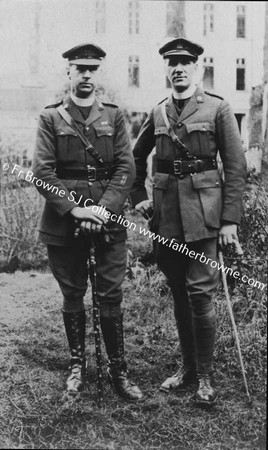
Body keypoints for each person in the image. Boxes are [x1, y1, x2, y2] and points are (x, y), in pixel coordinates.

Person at [130, 37, 247, 406]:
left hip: (204, 215)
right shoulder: (158, 111)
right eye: (172, 62)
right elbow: (135, 161)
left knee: (201, 292)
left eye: (185, 62)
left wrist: (229, 220)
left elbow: (236, 166)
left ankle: (206, 378)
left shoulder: (217, 108)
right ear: (166, 68)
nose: (178, 68)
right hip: (165, 217)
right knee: (179, 291)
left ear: (196, 66)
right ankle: (187, 369)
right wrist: (141, 198)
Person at [32, 43, 143, 401]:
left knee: (110, 294)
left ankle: (119, 370)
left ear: (99, 74)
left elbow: (127, 168)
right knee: (73, 293)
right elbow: (42, 171)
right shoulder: (51, 118)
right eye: (79, 68)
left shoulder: (114, 116)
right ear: (69, 72)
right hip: (65, 221)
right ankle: (77, 366)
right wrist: (78, 209)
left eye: (92, 69)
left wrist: (104, 209)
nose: (86, 74)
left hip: (108, 221)